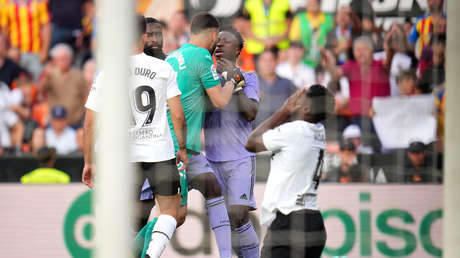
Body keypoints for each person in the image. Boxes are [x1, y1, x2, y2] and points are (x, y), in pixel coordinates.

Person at [82, 15, 188, 258]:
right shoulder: (163, 68)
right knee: (170, 212)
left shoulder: (108, 73)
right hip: (160, 153)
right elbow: (179, 116)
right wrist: (181, 147)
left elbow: (90, 124)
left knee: (127, 217)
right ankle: (152, 253)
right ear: (143, 36)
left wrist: (89, 162)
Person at [165, 12, 243, 258]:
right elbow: (220, 101)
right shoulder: (201, 56)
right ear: (212, 34)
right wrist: (233, 81)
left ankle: (226, 255)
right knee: (174, 216)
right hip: (179, 148)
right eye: (216, 38)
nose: (216, 44)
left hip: (167, 147)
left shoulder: (173, 56)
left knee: (212, 187)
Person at [245, 85, 335, 258]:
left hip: (290, 222)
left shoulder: (294, 131)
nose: (296, 98)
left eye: (303, 96)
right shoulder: (319, 131)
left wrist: (284, 111)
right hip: (314, 222)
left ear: (307, 108)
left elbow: (250, 143)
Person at [205, 28, 260, 258]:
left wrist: (233, 81)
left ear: (238, 49)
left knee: (238, 216)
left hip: (240, 158)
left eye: (225, 42)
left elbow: (251, 113)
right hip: (211, 160)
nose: (219, 45)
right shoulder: (206, 78)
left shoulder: (249, 78)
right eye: (216, 42)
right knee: (224, 220)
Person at [38, 43, 86, 128]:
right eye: (59, 59)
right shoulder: (50, 74)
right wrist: (46, 76)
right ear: (55, 60)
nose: (62, 62)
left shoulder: (78, 76)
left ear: (71, 59)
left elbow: (85, 96)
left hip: (75, 123)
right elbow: (41, 90)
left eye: (65, 59)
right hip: (54, 123)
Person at [0, 0, 51, 80]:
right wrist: (7, 51)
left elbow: (46, 27)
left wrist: (45, 50)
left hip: (35, 51)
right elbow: (4, 31)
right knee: (16, 81)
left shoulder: (38, 4)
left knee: (37, 79)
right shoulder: (7, 5)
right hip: (15, 53)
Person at [254, 48, 296, 127]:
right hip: (255, 134)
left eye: (270, 60)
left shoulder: (287, 84)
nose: (267, 64)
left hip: (282, 133)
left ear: (277, 62)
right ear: (258, 63)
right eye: (264, 60)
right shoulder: (249, 84)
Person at [289, 0, 334, 68]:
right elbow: (294, 40)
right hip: (303, 61)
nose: (311, 4)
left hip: (323, 61)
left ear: (319, 3)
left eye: (314, 2)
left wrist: (325, 50)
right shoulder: (299, 18)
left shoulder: (328, 19)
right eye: (309, 2)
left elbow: (332, 40)